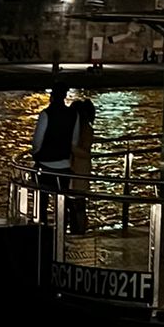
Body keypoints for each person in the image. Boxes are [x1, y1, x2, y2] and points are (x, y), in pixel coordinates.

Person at [31, 83, 78, 225]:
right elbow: (74, 141)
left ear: (51, 97)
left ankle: (43, 226)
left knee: (42, 201)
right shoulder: (73, 115)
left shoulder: (46, 114)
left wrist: (36, 153)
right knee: (63, 198)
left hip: (46, 164)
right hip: (64, 165)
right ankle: (65, 227)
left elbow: (37, 141)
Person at [67, 90, 96, 231]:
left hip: (79, 169)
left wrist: (69, 147)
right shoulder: (84, 129)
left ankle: (78, 229)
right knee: (76, 203)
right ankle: (77, 228)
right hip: (78, 168)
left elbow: (85, 152)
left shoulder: (85, 130)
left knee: (78, 203)